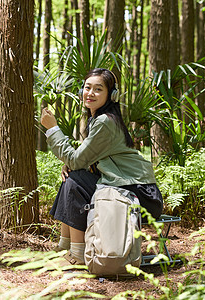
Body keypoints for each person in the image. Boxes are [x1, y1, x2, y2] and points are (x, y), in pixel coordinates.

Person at [40, 68, 163, 265]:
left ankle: (78, 253)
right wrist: (71, 164)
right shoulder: (100, 119)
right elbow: (81, 159)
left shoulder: (105, 121)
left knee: (74, 181)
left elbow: (77, 160)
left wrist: (53, 129)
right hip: (126, 188)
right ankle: (64, 246)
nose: (90, 93)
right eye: (87, 87)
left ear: (111, 95)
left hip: (141, 196)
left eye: (98, 89)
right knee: (72, 176)